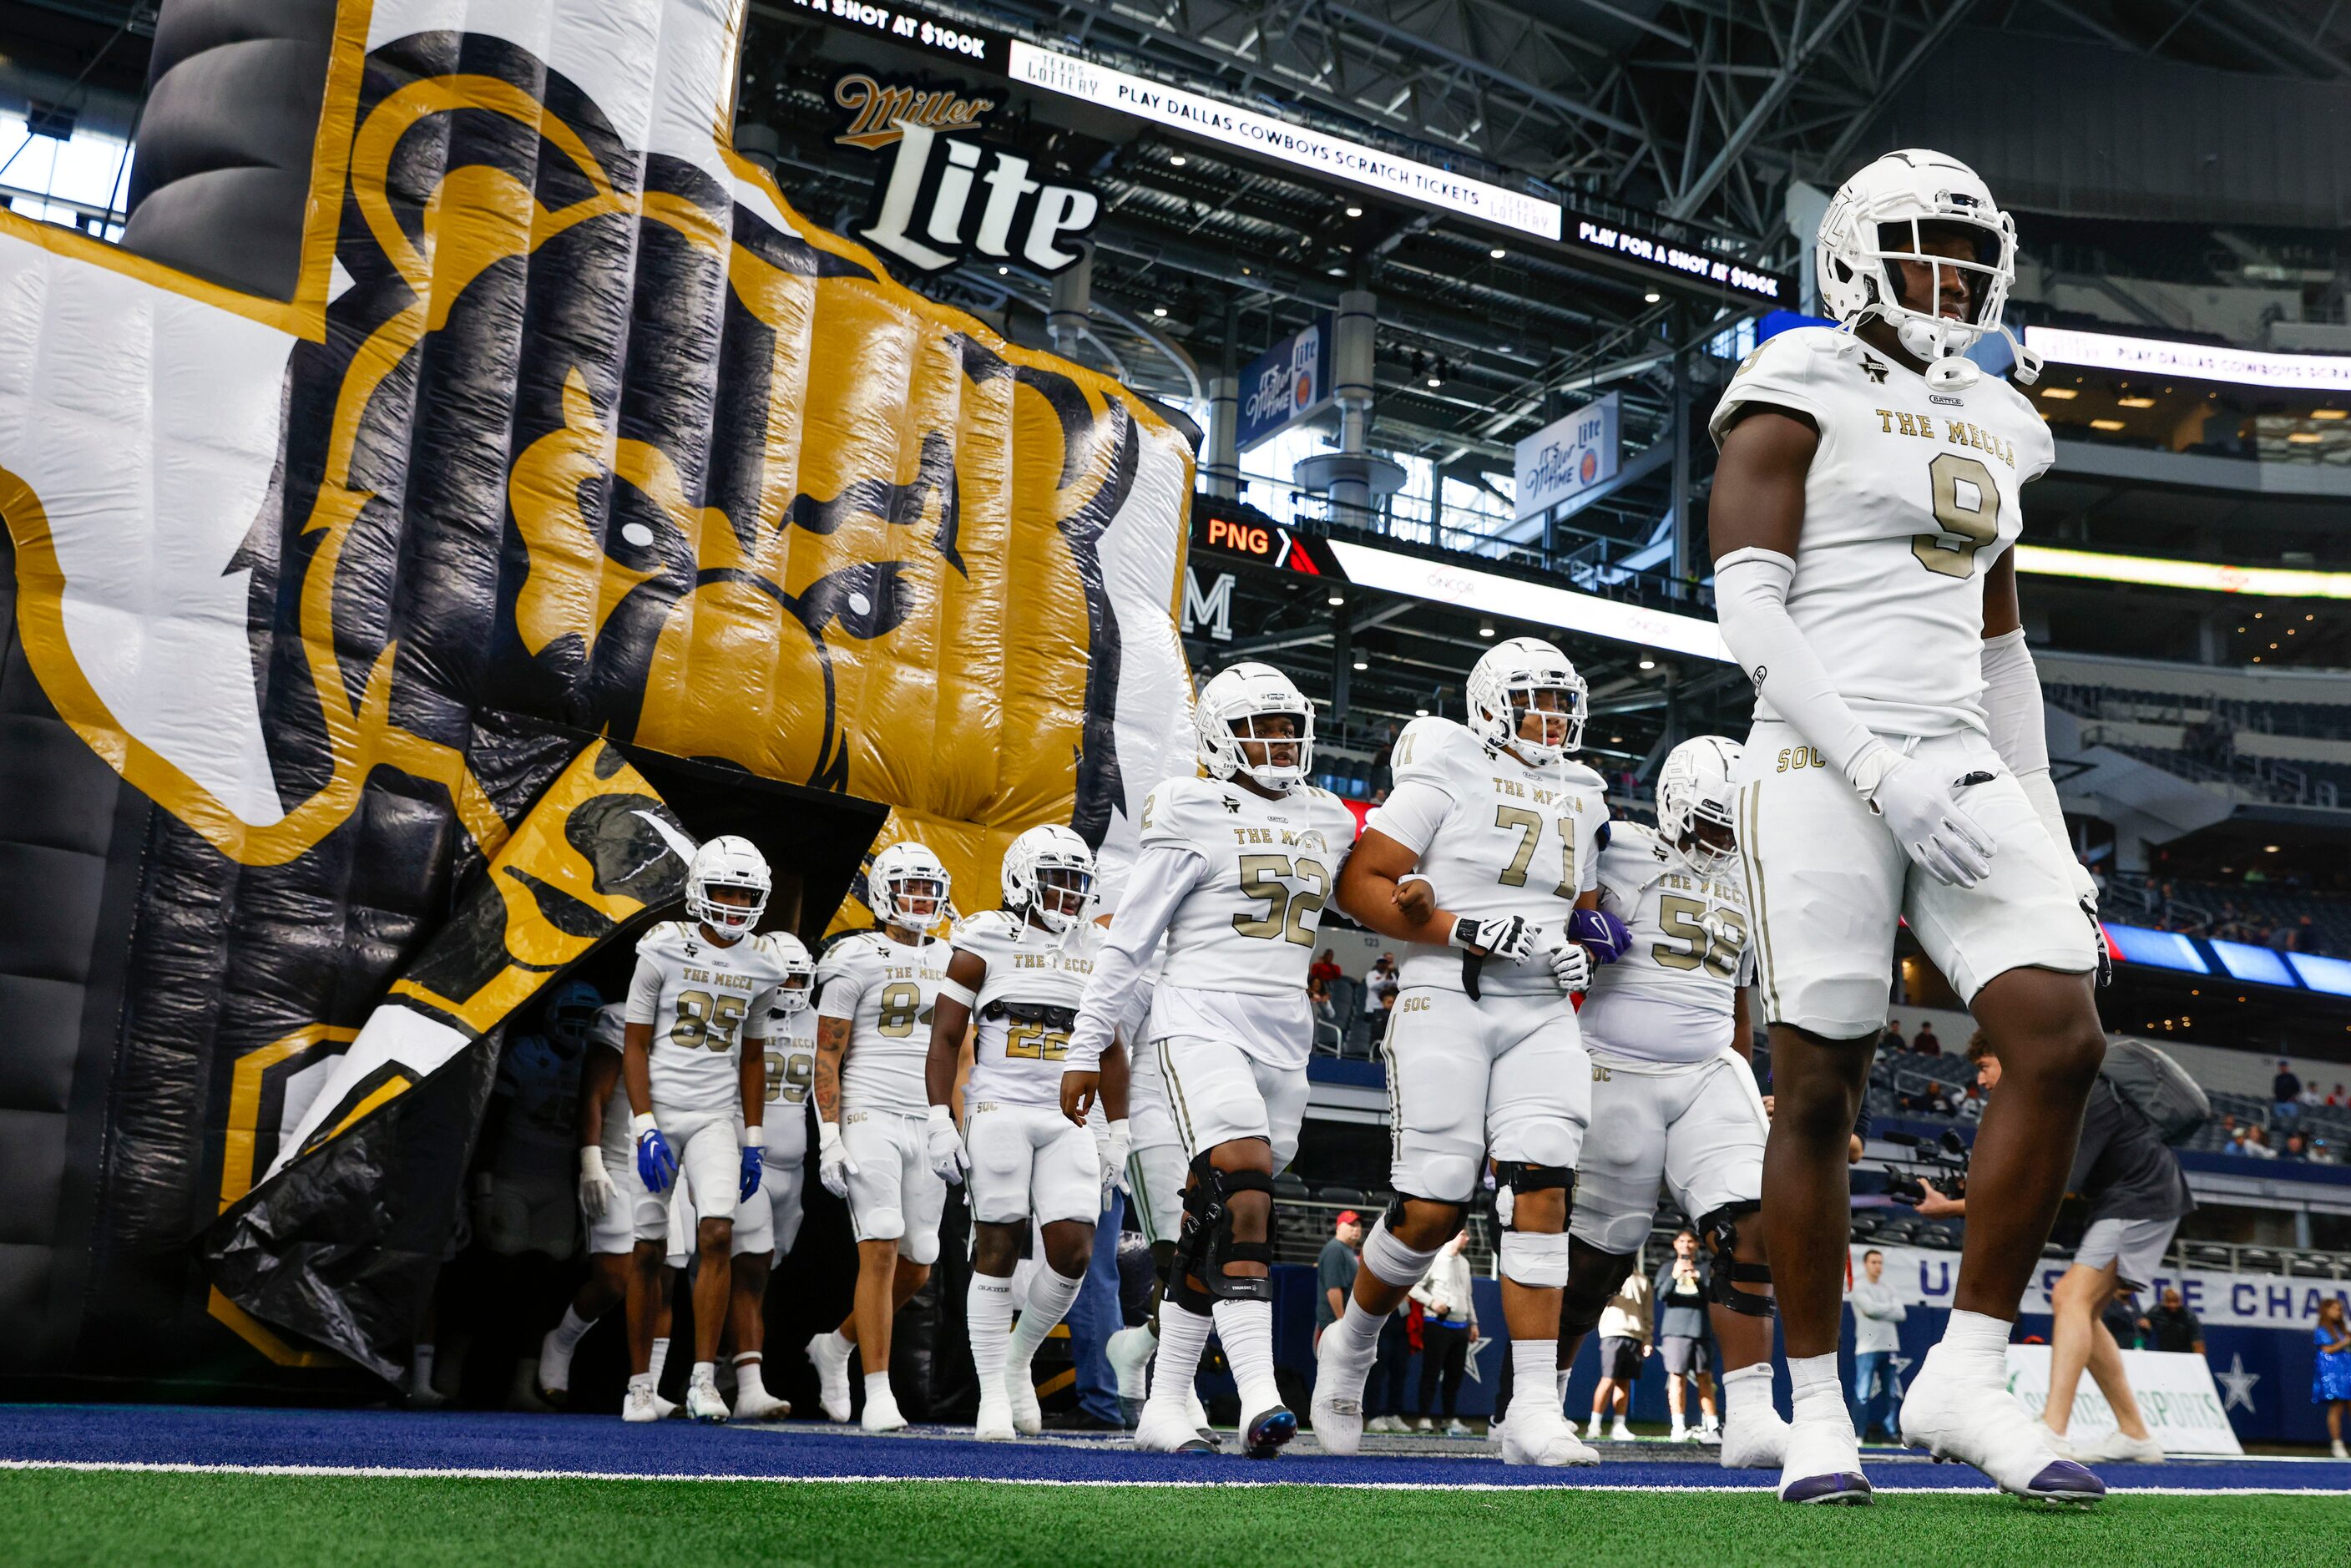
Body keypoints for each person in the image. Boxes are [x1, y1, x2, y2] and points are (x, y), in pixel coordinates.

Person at [1708, 147, 2107, 1506]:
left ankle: (1965, 1372)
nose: (1948, 275)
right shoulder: (1793, 381)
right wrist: (1880, 769)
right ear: (1853, 257)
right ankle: (1816, 1406)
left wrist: (2042, 817)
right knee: (1820, 1075)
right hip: (1823, 751)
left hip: (1954, 751)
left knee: (2059, 1033)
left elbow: (2001, 649)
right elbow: (1749, 610)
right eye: (1921, 246)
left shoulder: (1998, 412)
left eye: (1965, 251)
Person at [1314, 636, 1617, 1469]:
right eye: (1535, 702)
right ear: (1490, 706)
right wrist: (1458, 925)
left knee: (1541, 1186)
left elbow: (1587, 908)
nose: (1551, 720)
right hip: (1443, 994)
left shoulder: (1586, 795)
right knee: (1431, 1207)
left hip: (1538, 1009)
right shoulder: (1446, 762)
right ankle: (1351, 1345)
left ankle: (1531, 1406)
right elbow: (1360, 881)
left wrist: (1585, 946)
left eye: (1562, 704)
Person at [1063, 660, 1358, 1457]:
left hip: (1285, 1041)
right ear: (1218, 739)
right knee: (1244, 1185)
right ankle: (1261, 1397)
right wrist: (1087, 1045)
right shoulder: (1192, 807)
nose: (1278, 741)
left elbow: (1370, 893)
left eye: (1288, 726)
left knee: (1214, 1226)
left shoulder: (1330, 817)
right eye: (1259, 727)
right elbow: (1132, 940)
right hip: (1197, 1021)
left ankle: (1163, 1404)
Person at [1558, 735, 1788, 1469]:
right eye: (1712, 820)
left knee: (1751, 1224)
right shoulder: (1616, 846)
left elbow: (1740, 1001)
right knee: (1597, 1257)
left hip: (1706, 1071)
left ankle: (1751, 1413)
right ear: (1673, 804)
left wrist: (1749, 1078)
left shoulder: (1757, 876)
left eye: (1735, 822)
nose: (1724, 838)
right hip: (1612, 1066)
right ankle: (1535, 1398)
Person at [928, 824, 1126, 1440]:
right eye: (1057, 879)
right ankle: (992, 1393)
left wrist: (1117, 1130)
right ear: (1021, 879)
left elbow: (1112, 1051)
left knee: (1072, 1254)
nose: (1069, 893)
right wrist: (940, 1115)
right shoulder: (983, 938)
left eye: (1077, 881)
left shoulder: (1098, 948)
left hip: (1069, 1116)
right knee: (998, 1245)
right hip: (1000, 1107)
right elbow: (944, 1037)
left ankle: (1016, 1361)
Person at [1913, 1032, 2189, 1464]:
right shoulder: (2057, 1096)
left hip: (2140, 1198)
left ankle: (2054, 1431)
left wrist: (1953, 1206)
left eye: (1985, 1067)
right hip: (2134, 1198)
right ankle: (2135, 1433)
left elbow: (2047, 1188)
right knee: (2085, 1311)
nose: (1981, 1081)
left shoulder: (2079, 1094)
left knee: (2069, 1298)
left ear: (2008, 1056)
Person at [619, 837, 797, 1423]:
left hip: (715, 1114)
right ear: (699, 890)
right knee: (648, 1249)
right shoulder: (664, 948)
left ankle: (702, 1380)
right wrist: (643, 1122)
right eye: (724, 889)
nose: (733, 902)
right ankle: (640, 1384)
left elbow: (752, 1056)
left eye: (745, 893)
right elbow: (636, 1042)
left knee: (717, 1234)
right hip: (659, 1110)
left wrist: (752, 1136)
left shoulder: (765, 962)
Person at [805, 842, 954, 1431]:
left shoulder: (953, 957)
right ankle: (878, 1389)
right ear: (883, 893)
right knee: (883, 1243)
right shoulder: (853, 957)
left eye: (927, 888)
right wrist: (830, 1137)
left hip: (926, 1118)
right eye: (909, 887)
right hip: (870, 1113)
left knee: (922, 1260)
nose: (920, 900)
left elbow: (961, 1053)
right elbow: (827, 1054)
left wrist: (955, 1124)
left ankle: (835, 1345)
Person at [541, 998, 675, 1419]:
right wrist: (591, 1160)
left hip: (670, 1162)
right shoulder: (620, 1017)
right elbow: (595, 1095)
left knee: (665, 1280)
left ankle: (647, 1389)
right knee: (615, 1280)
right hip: (618, 1159)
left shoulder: (700, 1013)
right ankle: (561, 1340)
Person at [473, 979, 594, 1409]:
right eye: (572, 1017)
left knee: (545, 1285)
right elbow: (490, 1123)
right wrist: (483, 1191)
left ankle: (522, 1383)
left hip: (557, 1184)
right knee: (499, 1277)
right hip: (512, 1178)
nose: (578, 1029)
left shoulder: (591, 1062)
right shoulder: (526, 1055)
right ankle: (473, 1374)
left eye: (587, 1020)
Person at [725, 932, 818, 1419]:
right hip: (748, 1161)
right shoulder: (740, 1015)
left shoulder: (821, 1023)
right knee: (751, 1265)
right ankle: (748, 1385)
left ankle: (730, 1362)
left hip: (794, 1170)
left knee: (766, 1270)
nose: (789, 987)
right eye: (781, 977)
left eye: (798, 978)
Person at [1411, 1230, 1479, 1436]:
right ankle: (1424, 1418)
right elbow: (1413, 1287)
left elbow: (1467, 1296)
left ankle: (1449, 1419)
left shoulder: (1465, 1263)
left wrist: (1473, 1322)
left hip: (1460, 1326)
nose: (1467, 1239)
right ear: (1453, 1236)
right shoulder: (1435, 1259)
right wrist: (1432, 1302)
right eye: (1464, 1234)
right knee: (1431, 1373)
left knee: (1454, 1377)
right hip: (1437, 1324)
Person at [1653, 1230, 1717, 1442]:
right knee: (1676, 1377)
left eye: (1690, 1241)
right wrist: (1674, 1275)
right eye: (1682, 1241)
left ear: (1697, 1245)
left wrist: (1698, 1278)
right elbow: (1662, 1295)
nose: (1686, 1245)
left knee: (1705, 1378)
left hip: (1700, 1329)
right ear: (1675, 1244)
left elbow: (1712, 1296)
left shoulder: (1705, 1269)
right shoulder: (1666, 1268)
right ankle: (1678, 1427)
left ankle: (1713, 1428)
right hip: (1675, 1331)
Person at [1585, 1249, 1651, 1443]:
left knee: (1624, 1381)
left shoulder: (1643, 1280)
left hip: (1635, 1336)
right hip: (1612, 1333)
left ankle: (1619, 1426)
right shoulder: (1609, 1274)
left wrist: (1647, 1339)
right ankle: (1594, 1424)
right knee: (1608, 1379)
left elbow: (1648, 1314)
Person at [1848, 1249, 1906, 1440]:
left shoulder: (1889, 1287)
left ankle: (1892, 1433)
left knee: (1890, 1394)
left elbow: (1902, 1314)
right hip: (1867, 1348)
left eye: (1880, 1262)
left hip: (1889, 1347)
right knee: (1862, 1393)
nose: (1877, 1266)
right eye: (1874, 1262)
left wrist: (1880, 1310)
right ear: (1866, 1264)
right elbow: (1870, 1309)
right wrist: (1889, 1308)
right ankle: (1858, 1435)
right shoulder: (1859, 1286)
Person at [1317, 1210, 1364, 1344]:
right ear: (1339, 1227)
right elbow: (1333, 1289)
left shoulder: (1347, 1251)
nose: (1355, 1229)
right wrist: (1341, 1322)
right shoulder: (1335, 1250)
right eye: (1351, 1225)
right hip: (1334, 1325)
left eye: (1358, 1225)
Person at [2314, 1297, 2351, 1460]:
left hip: (2347, 1370)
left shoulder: (2342, 1330)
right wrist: (2345, 1342)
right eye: (2335, 1309)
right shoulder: (2322, 1330)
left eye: (2340, 1309)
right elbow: (2327, 1350)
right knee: (2336, 1407)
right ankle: (2337, 1444)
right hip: (2333, 1373)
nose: (2339, 1312)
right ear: (2326, 1311)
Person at [2137, 1287, 2203, 1357]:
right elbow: (2142, 1323)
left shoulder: (2189, 1317)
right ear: (2163, 1301)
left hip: (2184, 1355)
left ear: (2181, 1301)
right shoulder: (2156, 1311)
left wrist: (2198, 1362)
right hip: (2164, 1354)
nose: (2172, 1305)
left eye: (2175, 1301)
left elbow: (2198, 1344)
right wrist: (2146, 1322)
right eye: (2169, 1301)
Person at [2275, 1060, 2304, 1125]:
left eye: (2284, 1066)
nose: (2283, 1068)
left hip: (2290, 1103)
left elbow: (2298, 1088)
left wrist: (2293, 1097)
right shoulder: (2278, 1078)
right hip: (2279, 1103)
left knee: (2291, 1121)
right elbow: (2275, 1089)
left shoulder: (2292, 1077)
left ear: (2287, 1067)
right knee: (2280, 1121)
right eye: (2281, 1066)